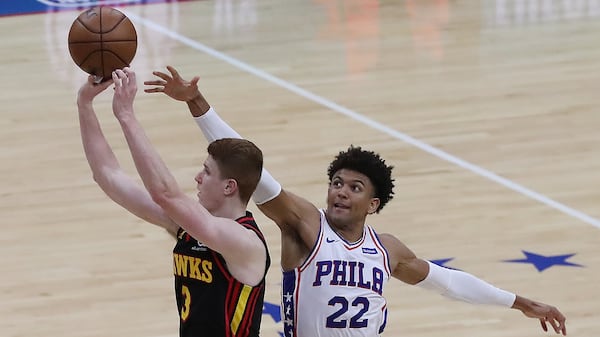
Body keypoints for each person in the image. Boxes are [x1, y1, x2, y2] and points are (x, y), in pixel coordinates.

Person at [144, 66, 568, 337]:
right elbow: (251, 171)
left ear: (374, 203)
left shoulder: (387, 250)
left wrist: (520, 302)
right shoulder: (306, 225)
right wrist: (197, 105)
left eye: (354, 187)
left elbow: (450, 283)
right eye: (336, 182)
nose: (341, 191)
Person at [76, 68, 271, 337]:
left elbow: (165, 194)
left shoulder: (244, 242)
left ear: (229, 187)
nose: (198, 177)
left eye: (207, 171)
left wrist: (126, 116)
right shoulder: (191, 227)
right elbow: (108, 176)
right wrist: (84, 104)